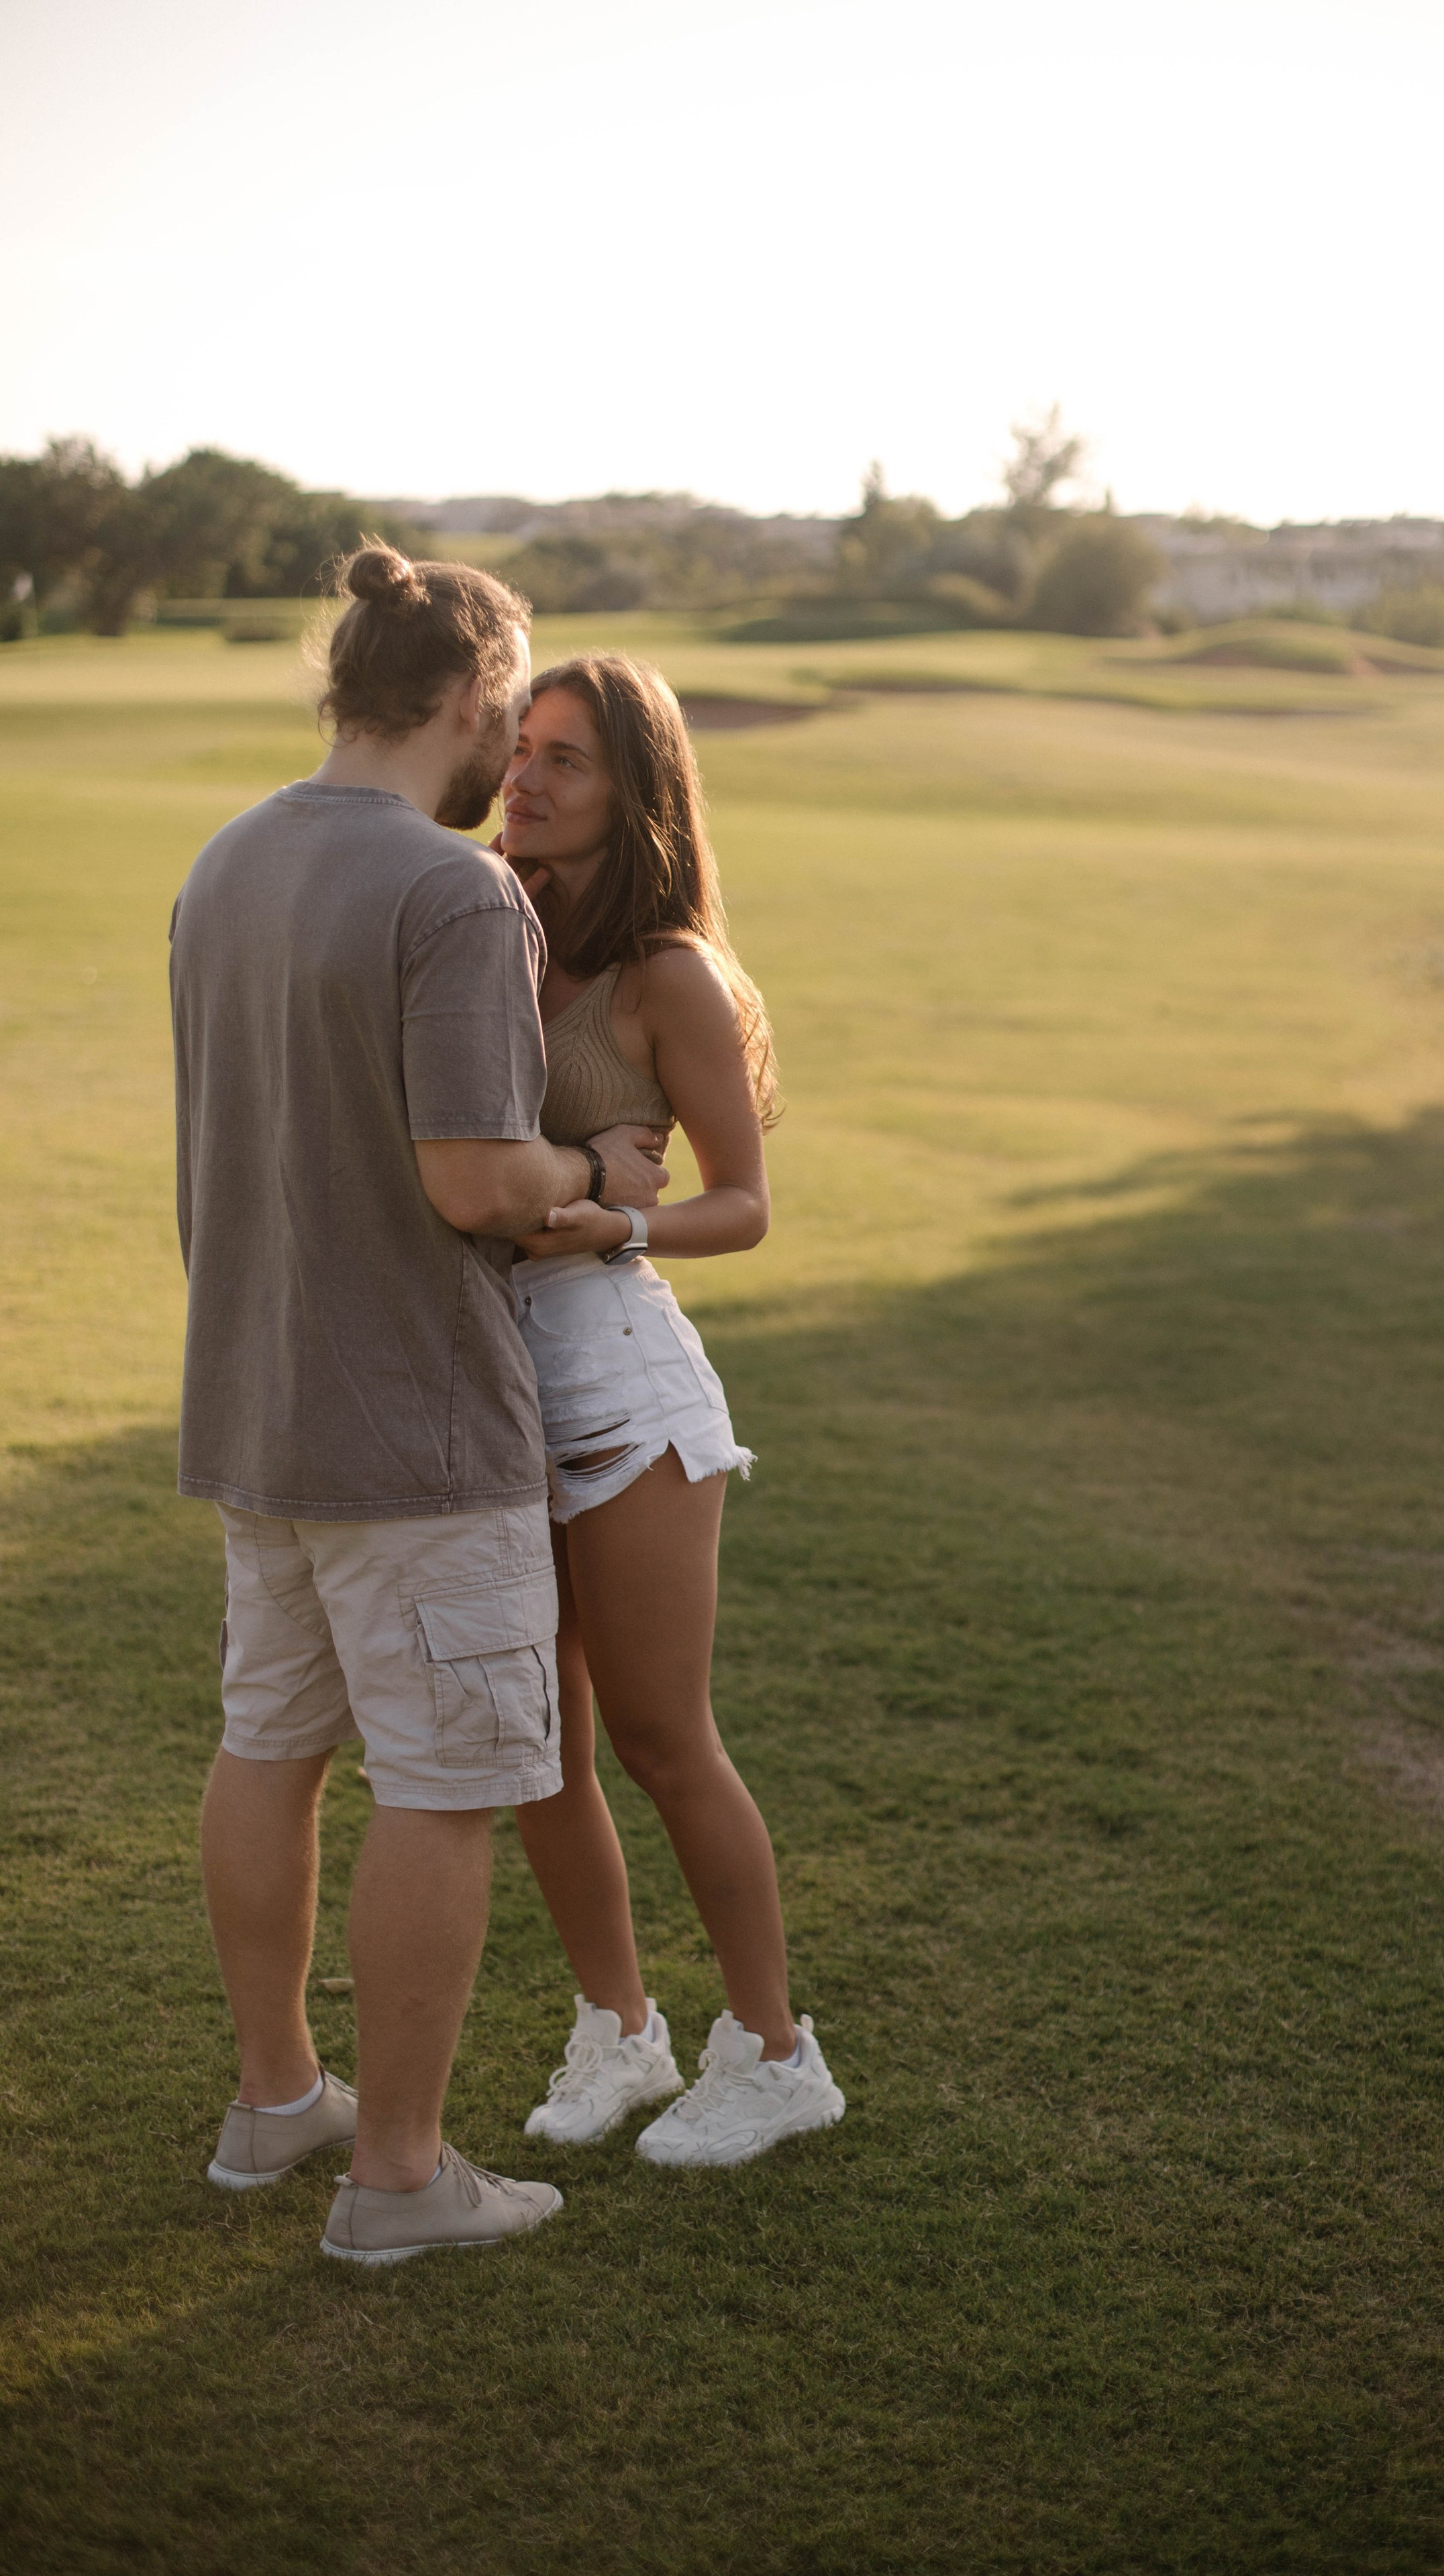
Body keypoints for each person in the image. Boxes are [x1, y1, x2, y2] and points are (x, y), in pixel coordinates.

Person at [170, 548, 667, 2263]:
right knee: (444, 1791)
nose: (504, 759)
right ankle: (394, 2180)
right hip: (417, 1432)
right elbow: (472, 1180)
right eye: (504, 714)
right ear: (468, 692)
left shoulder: (225, 860)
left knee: (269, 1749)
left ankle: (272, 2104)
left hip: (256, 1407)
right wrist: (593, 1163)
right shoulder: (454, 893)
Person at [500, 654, 844, 2165]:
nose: (525, 778)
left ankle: (776, 2057)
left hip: (620, 1393)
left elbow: (745, 1205)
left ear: (633, 792)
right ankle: (618, 2032)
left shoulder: (665, 975)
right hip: (486, 1390)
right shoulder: (486, 929)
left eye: (564, 758)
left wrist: (620, 1224)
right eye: (518, 748)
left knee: (657, 1736)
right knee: (536, 1747)